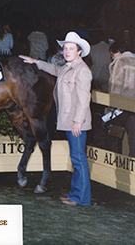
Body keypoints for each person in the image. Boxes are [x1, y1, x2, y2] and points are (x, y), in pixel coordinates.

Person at [20, 32, 93, 206]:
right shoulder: (69, 67)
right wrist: (36, 62)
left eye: (71, 49)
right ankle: (76, 193)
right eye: (65, 48)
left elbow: (84, 100)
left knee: (78, 158)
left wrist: (77, 121)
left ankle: (82, 198)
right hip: (70, 121)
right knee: (76, 157)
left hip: (76, 122)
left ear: (79, 51)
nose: (66, 51)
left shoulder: (82, 71)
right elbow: (55, 70)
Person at [107, 41, 135, 157]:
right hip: (133, 107)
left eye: (112, 55)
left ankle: (116, 163)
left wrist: (111, 107)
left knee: (114, 137)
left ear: (118, 52)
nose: (112, 58)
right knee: (132, 139)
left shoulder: (120, 62)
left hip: (121, 107)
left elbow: (115, 87)